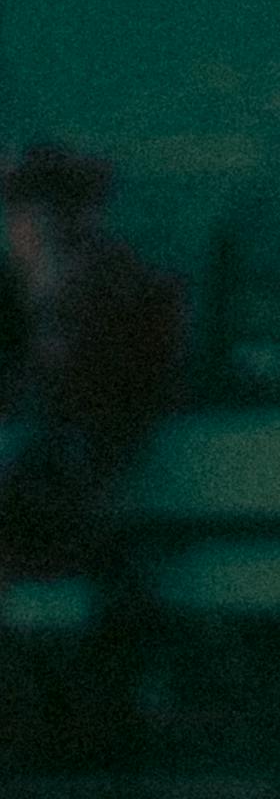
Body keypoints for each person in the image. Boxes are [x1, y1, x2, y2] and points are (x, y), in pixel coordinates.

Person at [0, 139, 185, 566]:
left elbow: (116, 399)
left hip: (78, 500)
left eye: (61, 208)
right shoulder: (18, 293)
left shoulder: (130, 295)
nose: (29, 227)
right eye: (20, 211)